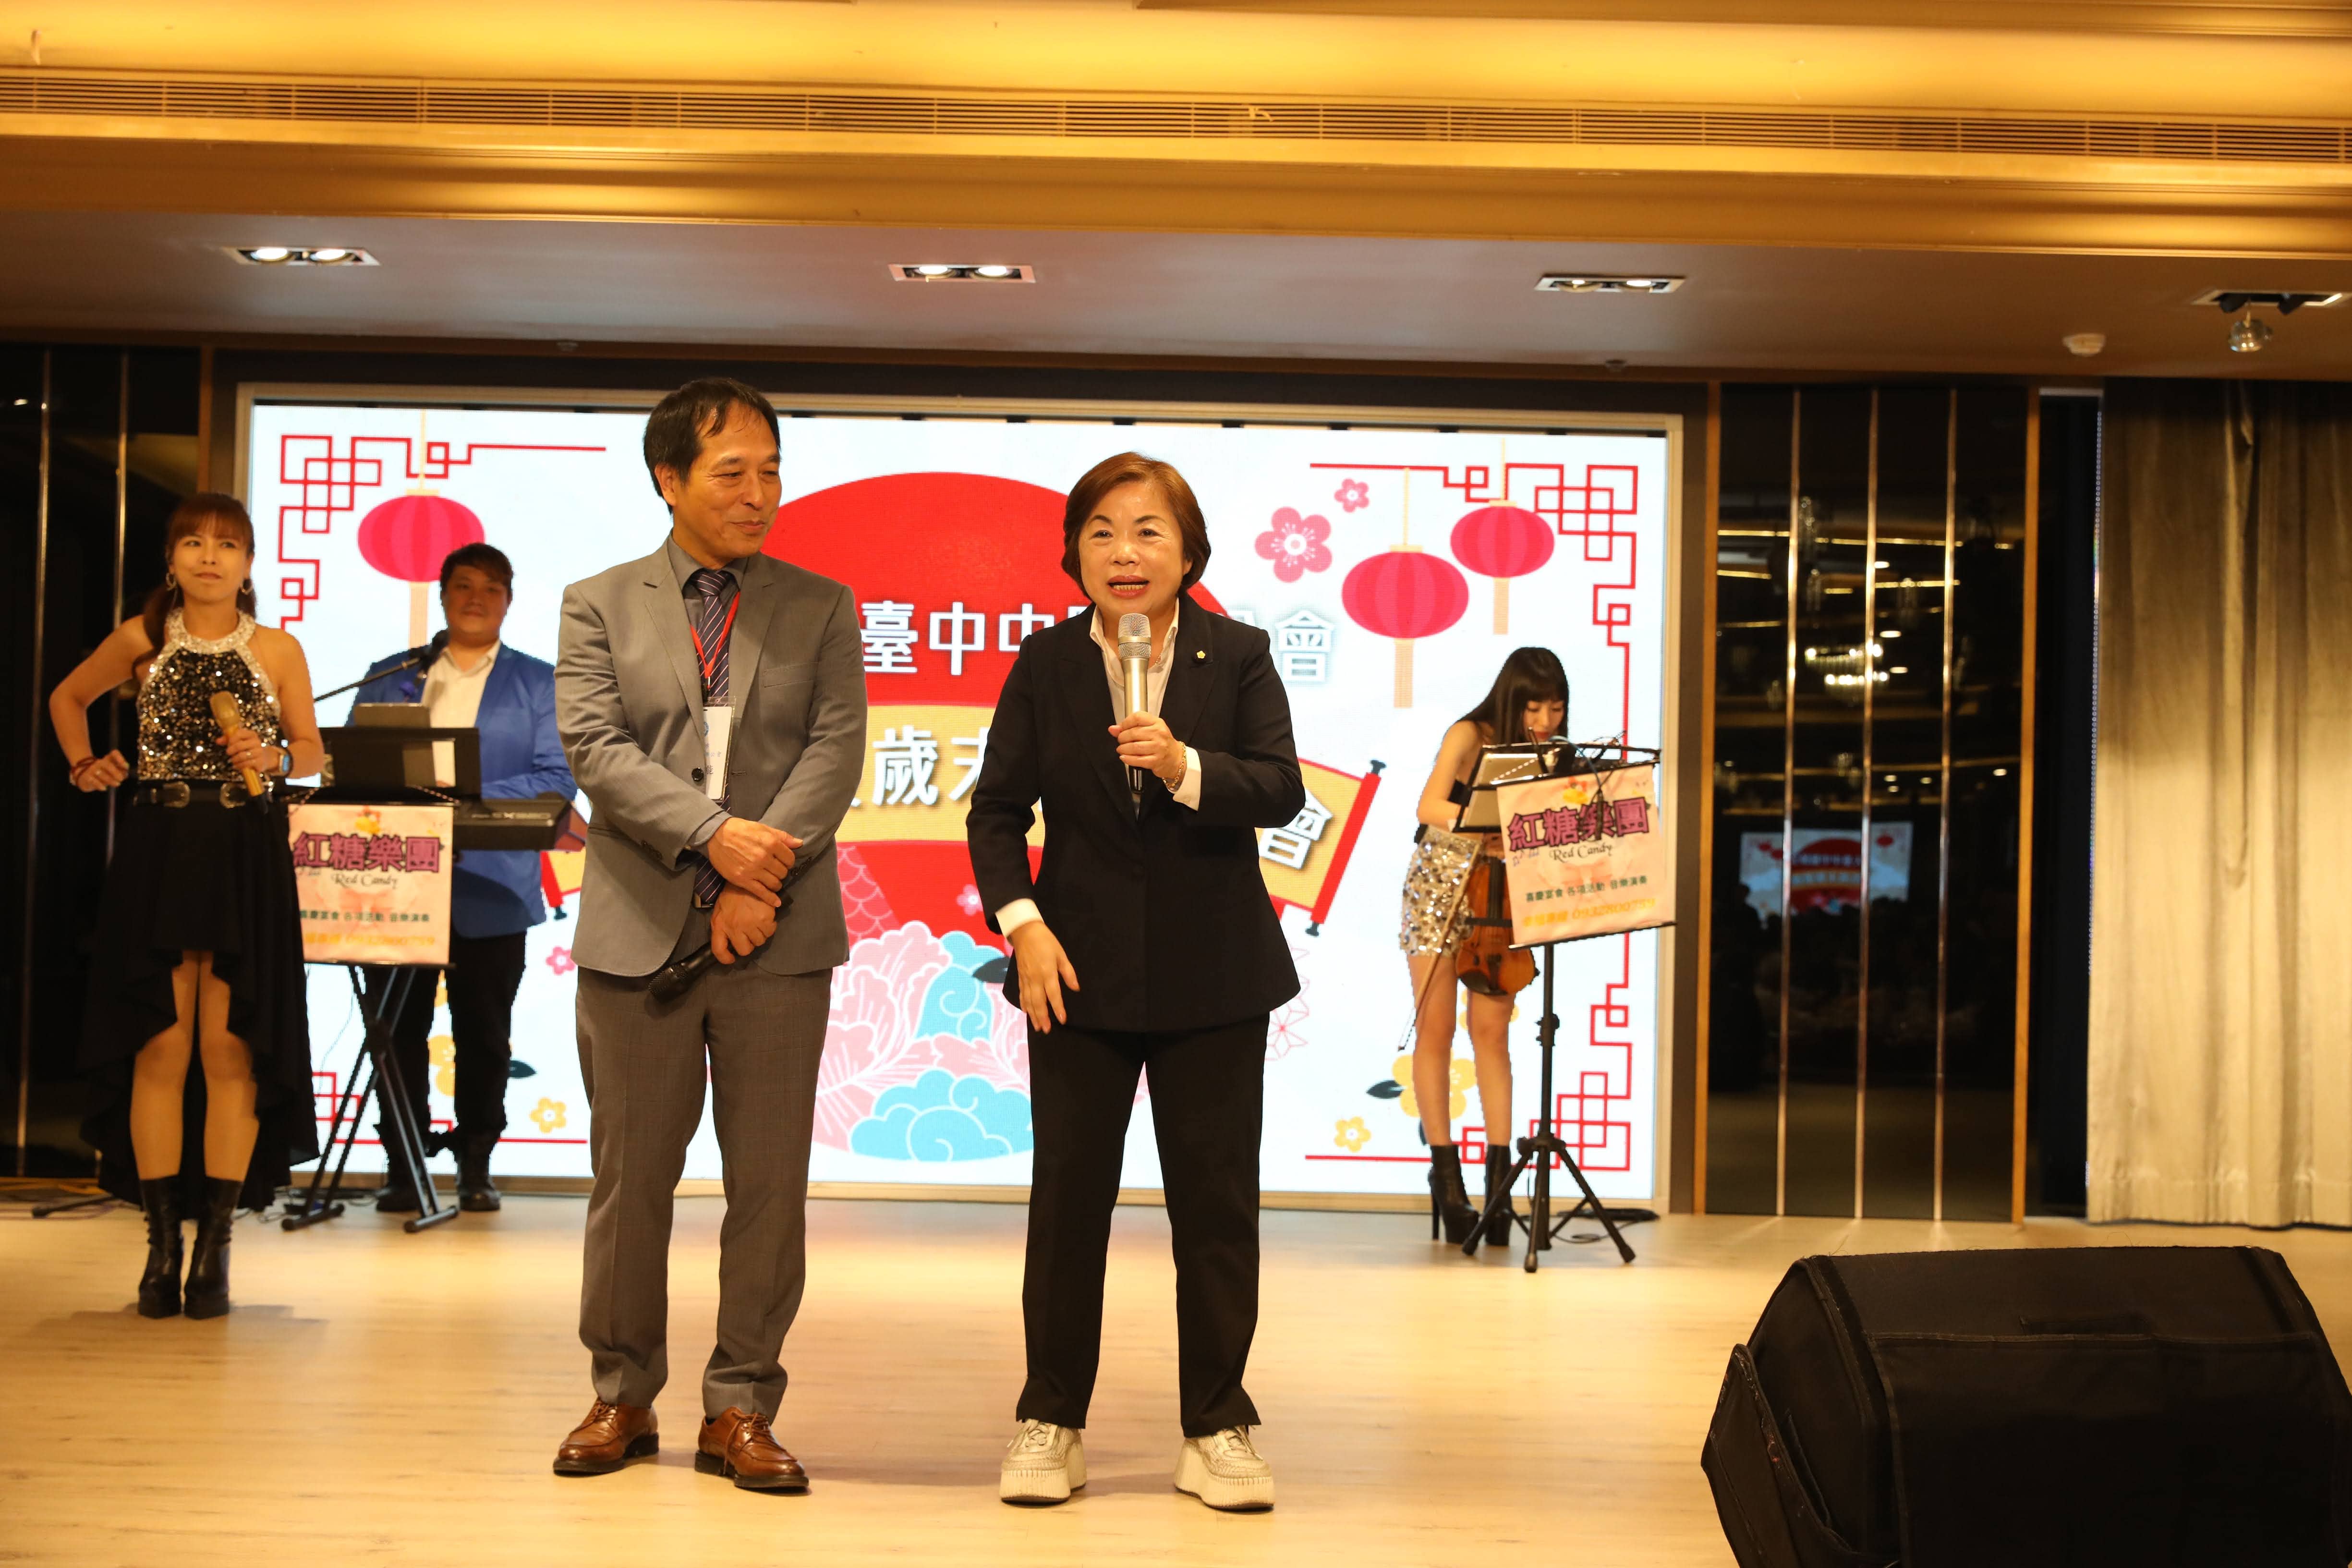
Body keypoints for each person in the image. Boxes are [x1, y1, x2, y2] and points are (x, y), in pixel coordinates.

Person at [968, 451, 1304, 1514]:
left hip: (1216, 976)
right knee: (1068, 1206)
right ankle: (1050, 1419)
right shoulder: (1045, 662)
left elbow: (1280, 788)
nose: (1125, 552)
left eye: (1149, 530)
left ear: (1188, 554)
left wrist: (1182, 765)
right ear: (1073, 553)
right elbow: (994, 812)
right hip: (1075, 976)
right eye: (1103, 531)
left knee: (1216, 1211)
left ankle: (1217, 1426)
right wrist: (1022, 925)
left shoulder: (1236, 654)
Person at [549, 378, 865, 1491]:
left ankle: (740, 1406)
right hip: (636, 928)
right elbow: (596, 748)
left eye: (771, 471)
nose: (759, 493)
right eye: (733, 472)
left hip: (778, 932)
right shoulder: (597, 603)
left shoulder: (821, 605)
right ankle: (621, 1391)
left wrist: (758, 871)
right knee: (628, 1181)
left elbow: (834, 750)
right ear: (669, 478)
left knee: (769, 1186)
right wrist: (714, 841)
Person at [48, 493, 325, 1319]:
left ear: (249, 564)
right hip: (159, 848)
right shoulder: (142, 639)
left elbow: (312, 751)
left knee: (230, 1048)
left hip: (243, 850)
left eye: (227, 545)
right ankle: (161, 1246)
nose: (210, 556)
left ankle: (215, 1250)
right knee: (160, 1047)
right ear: (171, 561)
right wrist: (85, 764)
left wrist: (274, 755)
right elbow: (67, 698)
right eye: (194, 543)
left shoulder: (278, 648)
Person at [352, 542, 575, 1213]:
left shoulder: (538, 682)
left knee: (484, 1034)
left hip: (494, 883)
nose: (477, 599)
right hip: (395, 882)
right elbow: (355, 766)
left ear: (508, 601)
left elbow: (555, 779)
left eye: (491, 589)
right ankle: (402, 1165)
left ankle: (476, 1163)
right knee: (396, 1031)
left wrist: (455, 792)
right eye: (464, 586)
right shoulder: (393, 673)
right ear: (444, 595)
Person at [1400, 647, 1568, 1247]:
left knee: (1492, 1034)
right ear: (1510, 698)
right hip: (1440, 886)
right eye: (1533, 707)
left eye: (1555, 708)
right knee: (1436, 1029)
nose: (1544, 720)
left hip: (1500, 894)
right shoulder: (1469, 734)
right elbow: (1428, 806)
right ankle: (1446, 1180)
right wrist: (1490, 826)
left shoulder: (1555, 755)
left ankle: (1500, 1182)